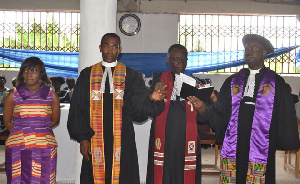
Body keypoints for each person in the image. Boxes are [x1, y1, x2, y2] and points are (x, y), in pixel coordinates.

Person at [195, 34, 300, 183]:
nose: (248, 52)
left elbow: (285, 113)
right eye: (246, 49)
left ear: (264, 52)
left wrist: (282, 138)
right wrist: (211, 100)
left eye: (253, 48)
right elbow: (222, 110)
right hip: (236, 141)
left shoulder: (276, 82)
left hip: (261, 142)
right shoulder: (233, 81)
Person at [67, 33, 165, 184]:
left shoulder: (130, 76)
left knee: (122, 175)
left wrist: (151, 98)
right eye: (106, 46)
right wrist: (83, 138)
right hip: (94, 137)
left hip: (122, 138)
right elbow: (78, 108)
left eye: (114, 47)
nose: (110, 50)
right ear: (100, 48)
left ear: (120, 50)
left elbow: (137, 106)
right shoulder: (87, 75)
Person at [146, 44, 207, 184]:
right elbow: (150, 106)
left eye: (183, 60)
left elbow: (204, 116)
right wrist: (156, 91)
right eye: (176, 59)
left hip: (185, 135)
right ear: (168, 60)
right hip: (164, 135)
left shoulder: (194, 82)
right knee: (163, 172)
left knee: (184, 172)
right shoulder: (158, 78)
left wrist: (202, 107)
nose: (180, 63)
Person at [3, 56, 60, 183]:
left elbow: (54, 121)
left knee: (43, 179)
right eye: (26, 71)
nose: (29, 74)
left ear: (41, 74)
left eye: (33, 71)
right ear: (22, 73)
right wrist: (22, 133)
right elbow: (7, 121)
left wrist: (38, 131)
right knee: (17, 179)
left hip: (44, 146)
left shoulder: (51, 95)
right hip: (18, 146)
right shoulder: (13, 95)